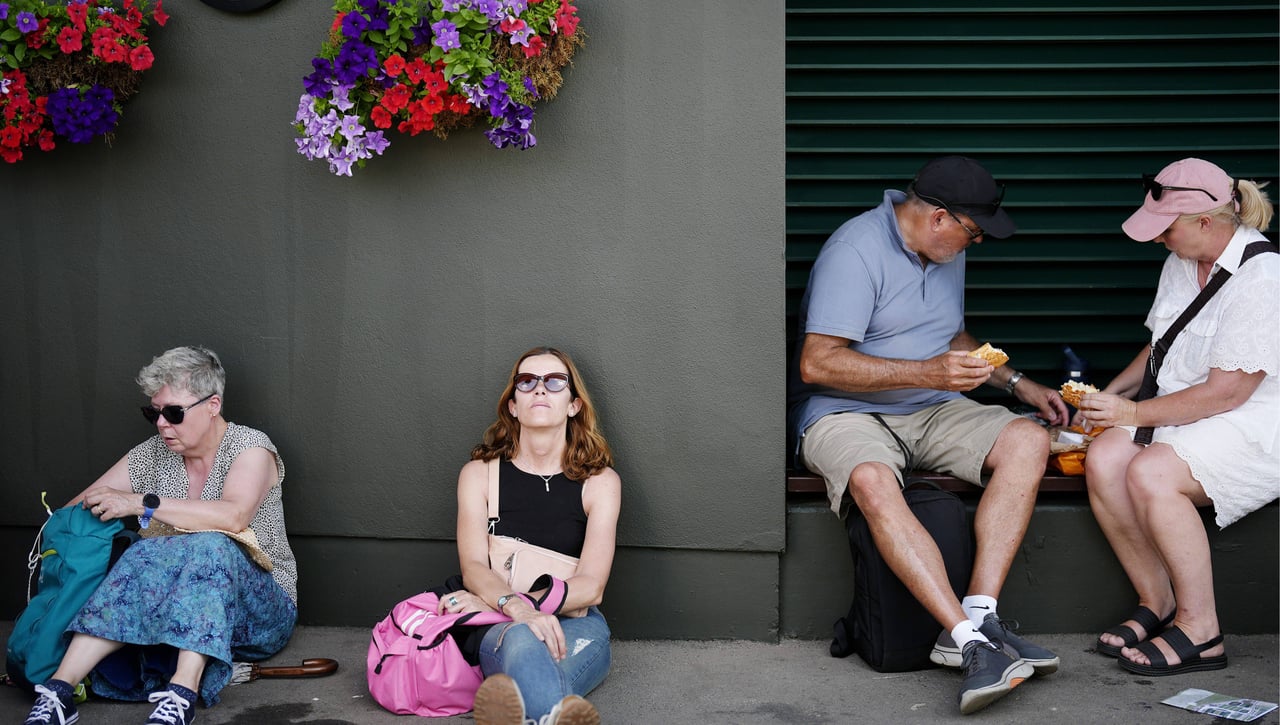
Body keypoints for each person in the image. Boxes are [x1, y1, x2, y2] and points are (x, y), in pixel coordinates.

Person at [788, 156, 1071, 715]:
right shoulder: (855, 252)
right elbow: (817, 364)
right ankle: (966, 642)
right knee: (870, 479)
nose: (977, 244)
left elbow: (952, 336)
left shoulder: (944, 248)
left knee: (1029, 440)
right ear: (939, 217)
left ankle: (983, 614)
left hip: (933, 406)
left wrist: (1020, 385)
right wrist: (927, 373)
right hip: (846, 412)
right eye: (974, 232)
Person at [24, 346, 297, 725]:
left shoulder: (250, 448)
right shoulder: (151, 455)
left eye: (174, 413)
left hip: (261, 610)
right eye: (154, 413)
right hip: (174, 610)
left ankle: (181, 693)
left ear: (213, 405)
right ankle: (58, 690)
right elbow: (76, 511)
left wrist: (140, 504)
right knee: (138, 550)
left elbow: (232, 516)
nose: (162, 424)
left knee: (211, 542)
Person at [1079, 158, 1278, 676]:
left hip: (1256, 420)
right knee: (1103, 456)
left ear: (1205, 223)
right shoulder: (1182, 259)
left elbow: (1227, 393)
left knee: (1152, 471)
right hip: (1188, 408)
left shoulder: (1264, 277)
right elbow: (1161, 345)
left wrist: (1132, 410)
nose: (1158, 240)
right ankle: (1158, 599)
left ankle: (1202, 630)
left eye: (1165, 229)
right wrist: (1107, 396)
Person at [441, 346, 621, 725]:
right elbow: (473, 567)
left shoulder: (600, 483)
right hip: (503, 624)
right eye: (527, 382)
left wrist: (513, 602)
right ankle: (550, 716)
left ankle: (526, 714)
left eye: (555, 382)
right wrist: (519, 612)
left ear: (574, 404)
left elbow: (591, 586)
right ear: (513, 405)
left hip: (577, 622)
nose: (540, 389)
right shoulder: (478, 475)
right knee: (525, 645)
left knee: (538, 672)